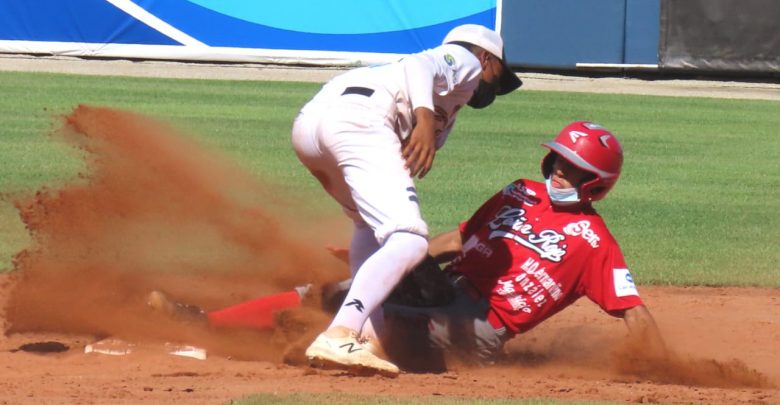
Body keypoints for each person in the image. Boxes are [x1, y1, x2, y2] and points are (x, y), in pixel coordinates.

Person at [148, 121, 666, 374]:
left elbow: (634, 311)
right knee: (341, 293)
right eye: (557, 161)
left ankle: (273, 353)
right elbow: (455, 240)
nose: (558, 172)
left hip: (478, 331)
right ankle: (205, 324)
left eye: (573, 169)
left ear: (596, 184)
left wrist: (665, 371)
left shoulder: (596, 244)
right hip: (444, 289)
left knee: (367, 323)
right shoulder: (518, 193)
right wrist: (390, 259)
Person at [290, 23, 522, 375]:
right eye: (499, 75)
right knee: (410, 239)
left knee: (367, 226)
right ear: (488, 59)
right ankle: (341, 331)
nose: (494, 86)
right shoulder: (468, 60)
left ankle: (369, 336)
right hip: (360, 121)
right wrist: (424, 119)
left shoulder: (447, 101)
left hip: (313, 128)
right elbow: (420, 64)